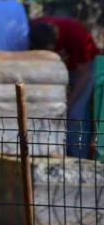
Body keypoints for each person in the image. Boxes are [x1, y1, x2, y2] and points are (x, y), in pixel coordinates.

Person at [29, 16, 100, 158]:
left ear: (54, 43)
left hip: (84, 69)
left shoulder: (76, 35)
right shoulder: (33, 28)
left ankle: (78, 158)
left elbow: (84, 75)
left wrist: (69, 103)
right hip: (61, 68)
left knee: (75, 112)